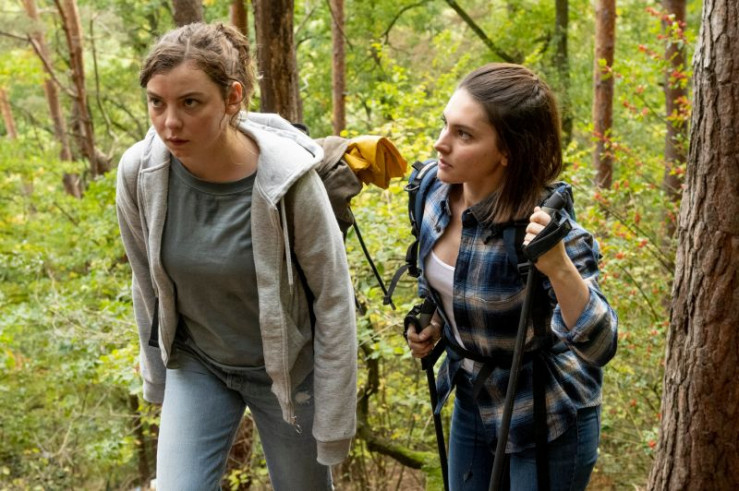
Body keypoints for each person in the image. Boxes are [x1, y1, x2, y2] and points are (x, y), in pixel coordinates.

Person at [115, 22, 357, 490]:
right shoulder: (139, 173)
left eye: (190, 103)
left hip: (287, 371)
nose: (169, 123)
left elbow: (333, 299)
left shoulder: (289, 182)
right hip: (199, 362)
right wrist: (156, 375)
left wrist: (333, 423)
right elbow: (146, 282)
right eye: (156, 102)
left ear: (232, 98)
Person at [406, 63, 618, 490]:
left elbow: (600, 344)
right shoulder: (430, 191)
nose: (440, 143)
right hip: (474, 398)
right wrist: (433, 321)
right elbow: (444, 281)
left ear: (508, 151)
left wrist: (558, 266)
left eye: (464, 135)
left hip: (547, 413)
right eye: (446, 125)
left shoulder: (546, 230)